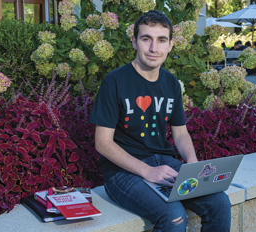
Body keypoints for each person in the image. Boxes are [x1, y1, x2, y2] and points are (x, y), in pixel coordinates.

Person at [89, 10, 231, 231]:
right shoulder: (114, 81)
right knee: (173, 215)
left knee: (220, 203)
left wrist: (192, 163)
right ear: (134, 42)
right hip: (122, 173)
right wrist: (147, 171)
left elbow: (181, 133)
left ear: (171, 44)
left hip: (164, 163)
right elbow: (103, 143)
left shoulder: (171, 83)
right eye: (146, 39)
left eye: (161, 40)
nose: (154, 48)